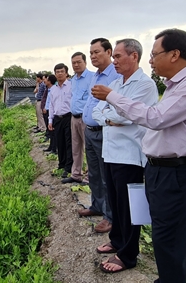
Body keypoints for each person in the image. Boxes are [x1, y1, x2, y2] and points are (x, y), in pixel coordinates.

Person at [91, 28, 186, 283]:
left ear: (174, 54)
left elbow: (153, 118)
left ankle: (140, 260)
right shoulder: (173, 86)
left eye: (154, 54)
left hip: (176, 169)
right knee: (161, 233)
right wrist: (112, 113)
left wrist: (112, 100)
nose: (151, 60)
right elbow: (101, 113)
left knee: (168, 235)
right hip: (160, 167)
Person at [92, 39, 159, 273]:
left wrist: (112, 115)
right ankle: (117, 240)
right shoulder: (116, 83)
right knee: (115, 202)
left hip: (130, 155)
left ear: (134, 56)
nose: (115, 61)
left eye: (118, 56)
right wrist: (111, 116)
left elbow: (130, 116)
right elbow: (97, 110)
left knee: (129, 207)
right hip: (111, 152)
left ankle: (129, 254)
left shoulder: (145, 85)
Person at [75, 38, 120, 234]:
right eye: (91, 52)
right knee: (93, 173)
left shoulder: (116, 75)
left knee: (106, 175)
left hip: (105, 132)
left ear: (108, 52)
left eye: (96, 52)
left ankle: (109, 217)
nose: (93, 56)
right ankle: (96, 206)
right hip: (90, 131)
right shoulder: (96, 76)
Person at [65, 52, 93, 182]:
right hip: (74, 117)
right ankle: (76, 174)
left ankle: (89, 176)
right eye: (73, 63)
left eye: (78, 62)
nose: (76, 65)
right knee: (76, 147)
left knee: (89, 148)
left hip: (86, 118)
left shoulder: (92, 77)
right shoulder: (73, 80)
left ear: (85, 62)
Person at [48, 63, 73, 176]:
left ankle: (69, 167)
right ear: (55, 74)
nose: (59, 73)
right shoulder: (53, 89)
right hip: (57, 118)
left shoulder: (71, 86)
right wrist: (50, 120)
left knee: (69, 142)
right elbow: (52, 105)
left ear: (66, 73)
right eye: (57, 72)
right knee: (59, 142)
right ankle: (61, 164)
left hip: (68, 117)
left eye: (62, 71)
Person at [41, 74, 57, 153]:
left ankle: (54, 149)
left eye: (46, 80)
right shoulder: (49, 89)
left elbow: (52, 103)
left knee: (53, 132)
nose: (45, 81)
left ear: (50, 81)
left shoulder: (54, 90)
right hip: (47, 111)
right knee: (50, 131)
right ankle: (51, 147)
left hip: (50, 112)